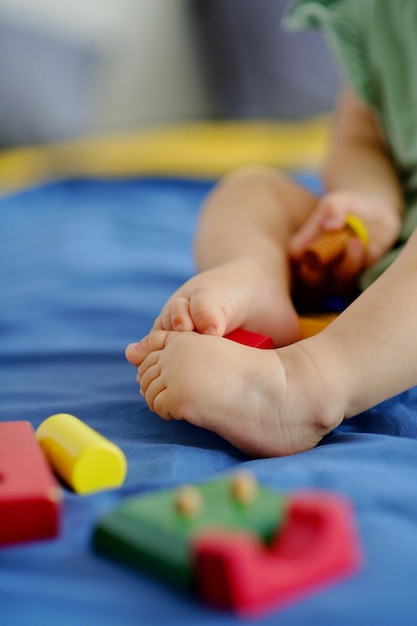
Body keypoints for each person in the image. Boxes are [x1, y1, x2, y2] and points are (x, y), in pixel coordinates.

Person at [125, 0, 417, 458]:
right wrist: (371, 203)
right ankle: (260, 279)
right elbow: (362, 136)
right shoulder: (378, 11)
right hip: (396, 248)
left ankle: (307, 384)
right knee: (250, 191)